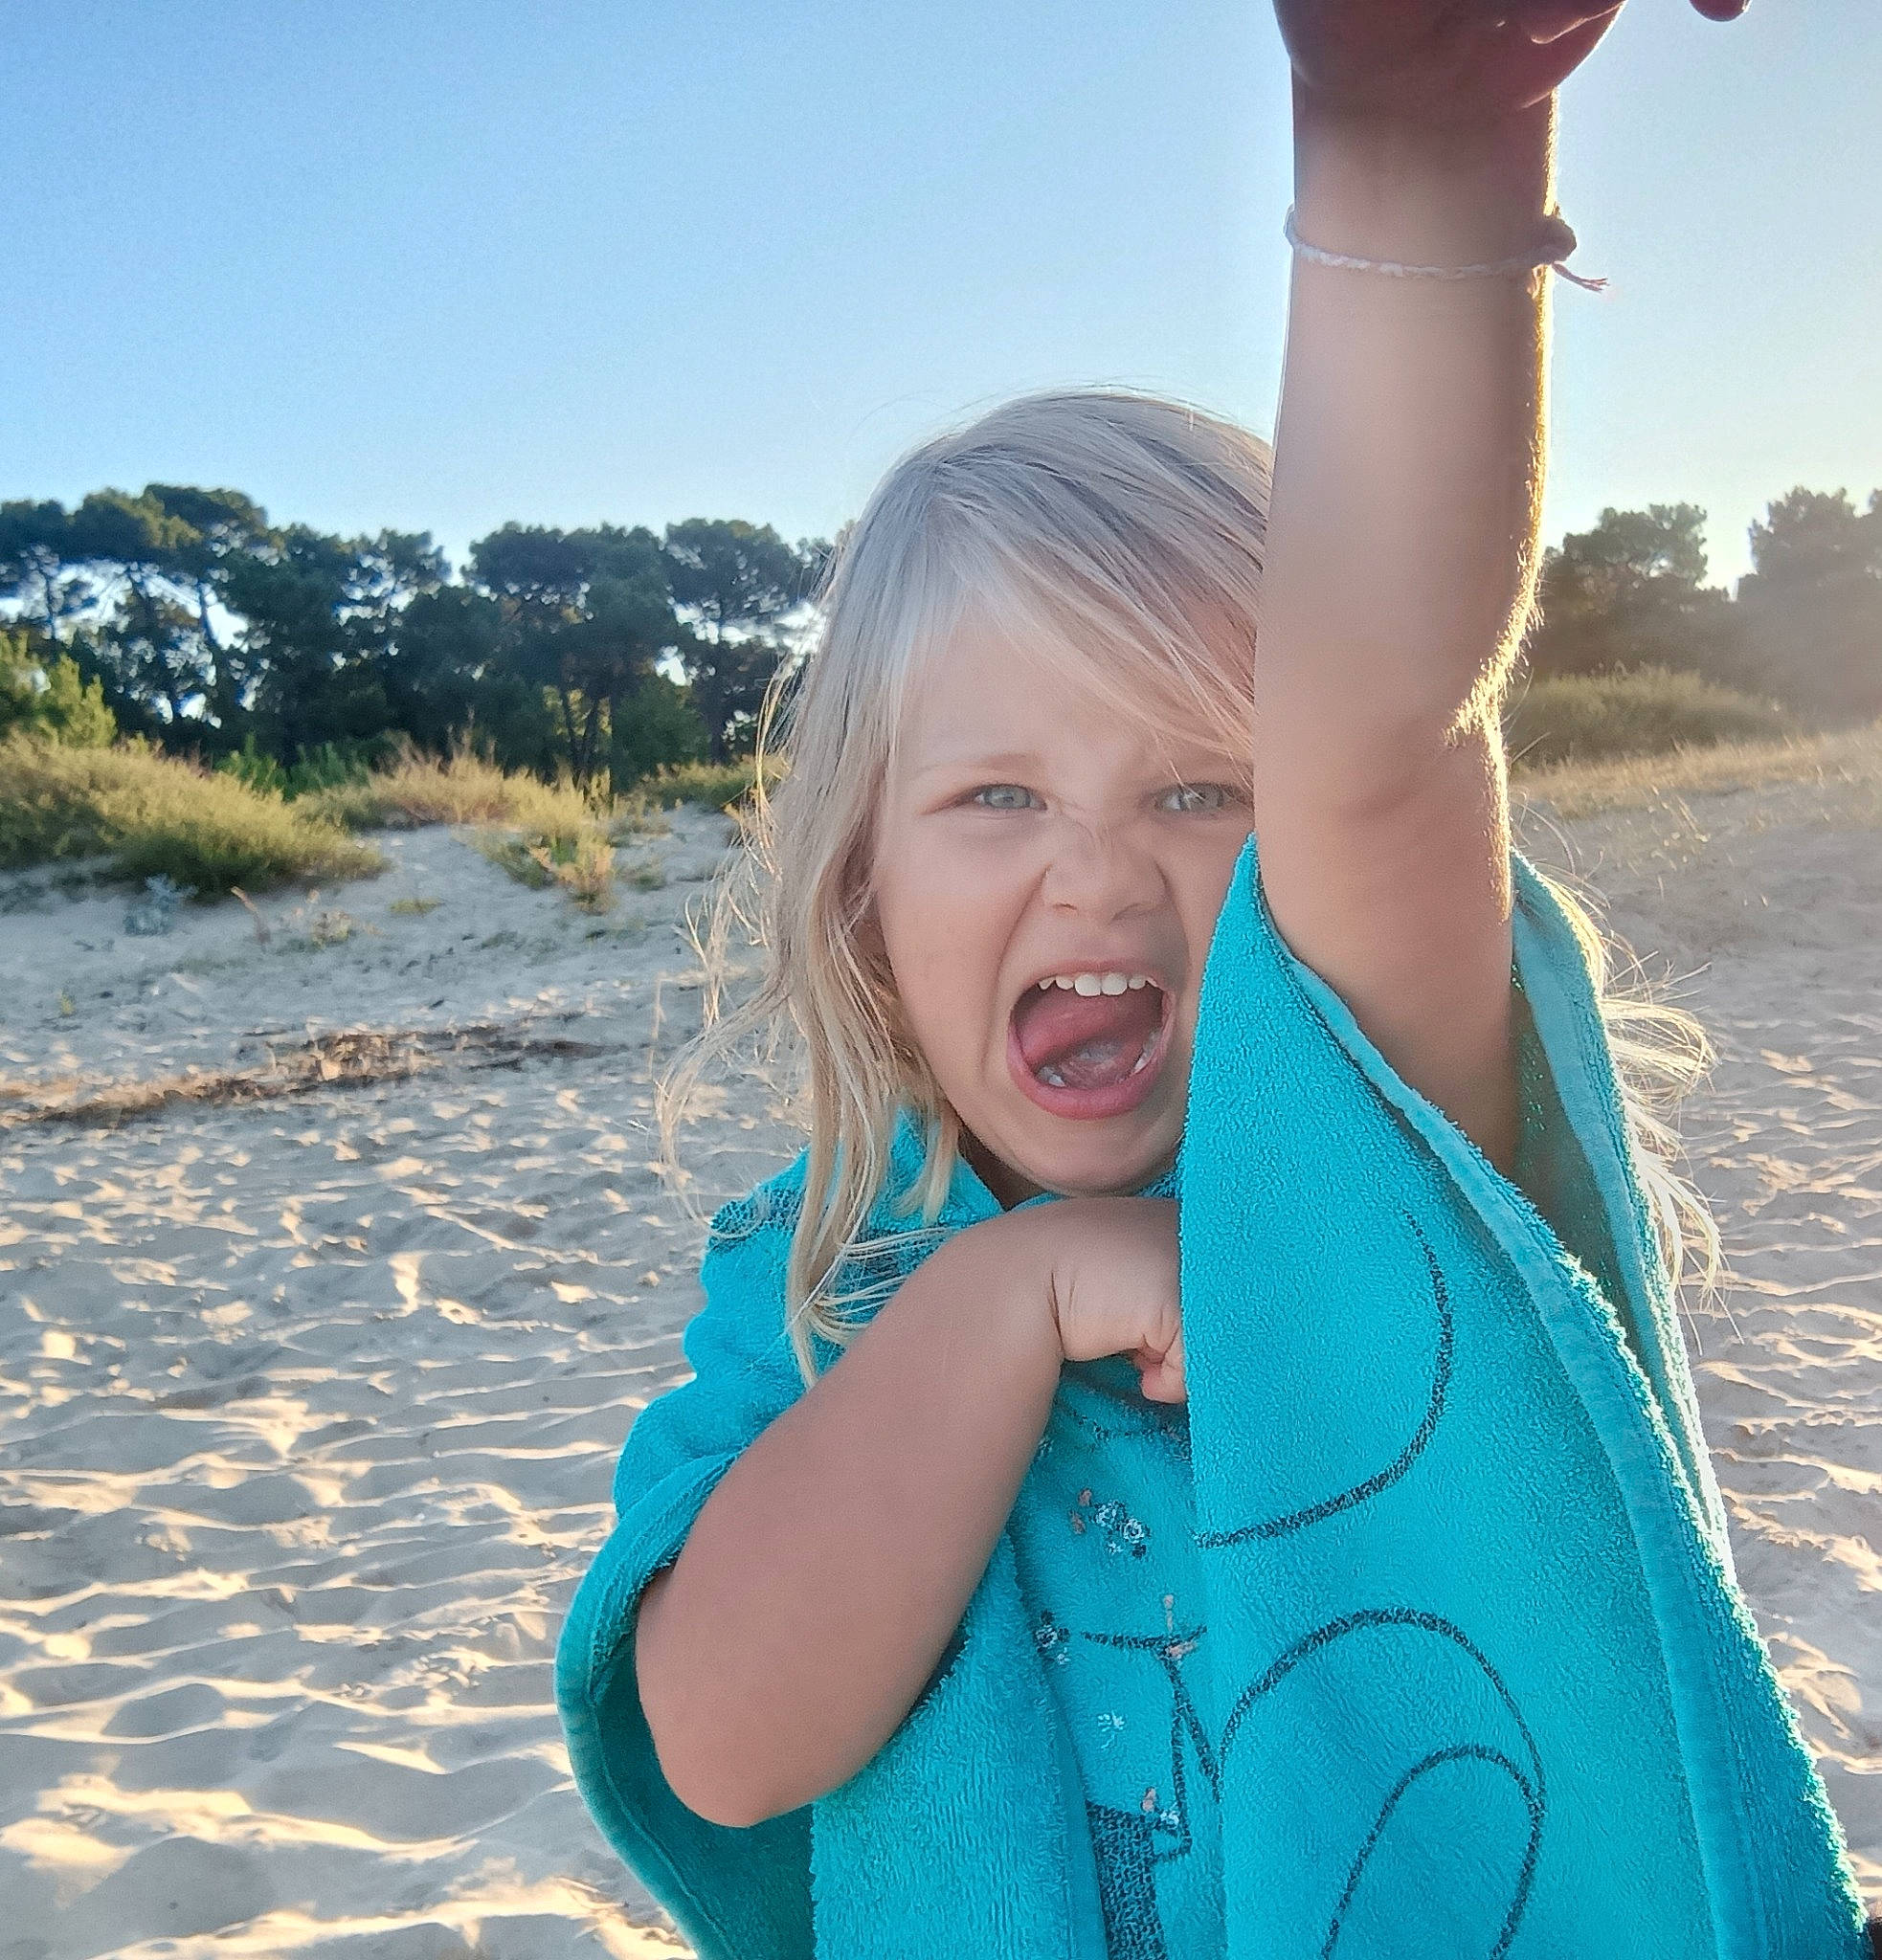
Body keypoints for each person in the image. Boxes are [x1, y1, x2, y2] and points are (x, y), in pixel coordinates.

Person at [558, 3, 1879, 1953]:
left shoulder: (1372, 1151)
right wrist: (1006, 1297)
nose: (1096, 870)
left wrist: (1415, 135)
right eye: (994, 793)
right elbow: (727, 1741)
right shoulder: (823, 1291)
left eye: (1195, 785)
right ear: (860, 897)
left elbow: (1386, 724)